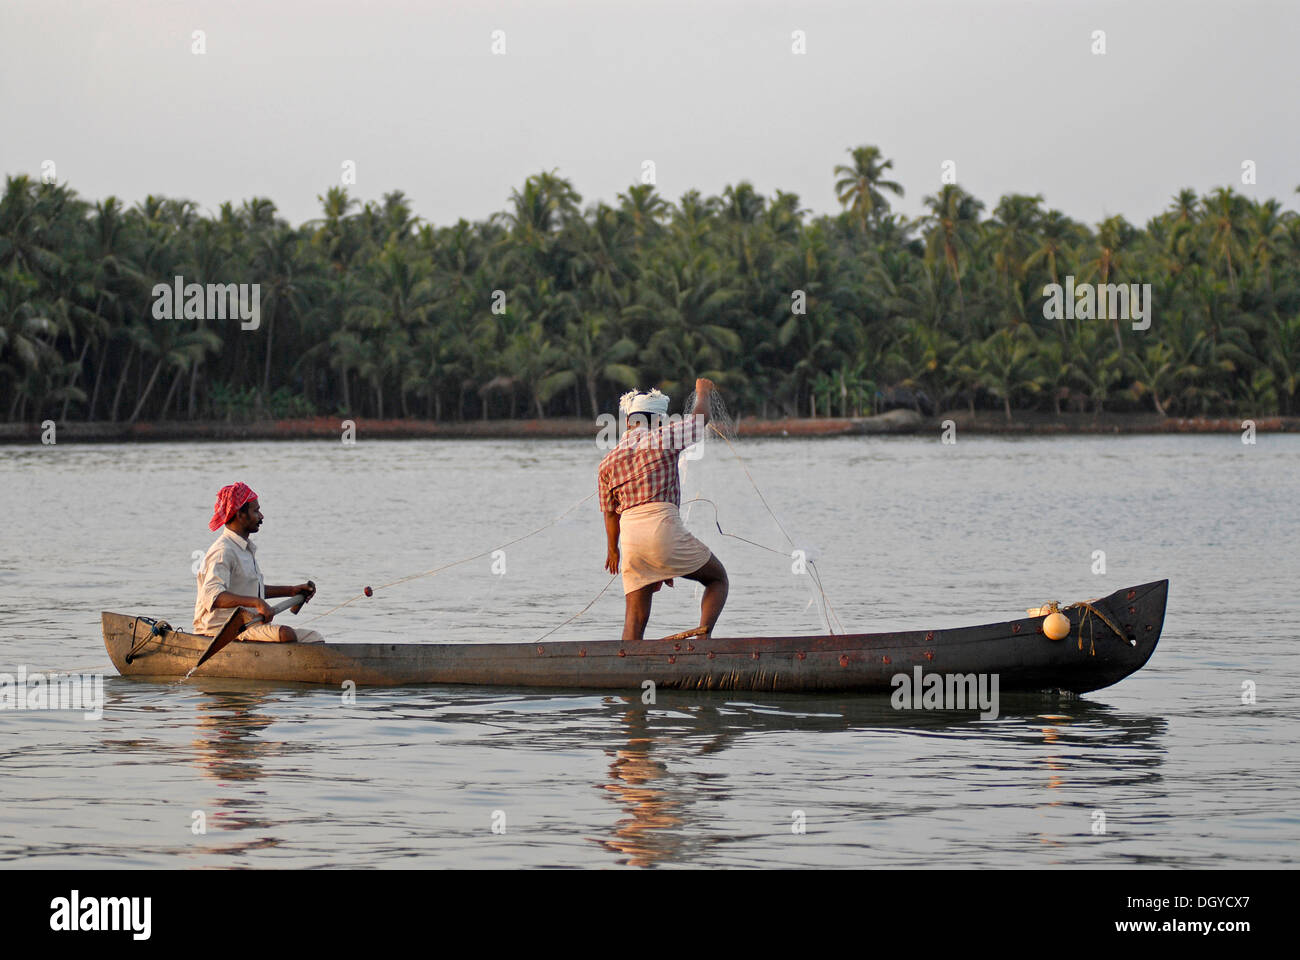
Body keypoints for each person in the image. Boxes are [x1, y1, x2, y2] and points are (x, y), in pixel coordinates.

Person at [598, 379, 729, 643]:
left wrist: (613, 550)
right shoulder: (662, 437)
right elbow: (698, 421)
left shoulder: (608, 462)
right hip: (662, 529)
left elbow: (611, 513)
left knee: (634, 619)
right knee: (717, 579)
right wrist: (702, 392)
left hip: (631, 541)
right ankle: (703, 645)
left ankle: (627, 666)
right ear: (658, 420)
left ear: (628, 422)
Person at [193, 482, 323, 644]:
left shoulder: (244, 549)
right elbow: (213, 597)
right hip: (221, 632)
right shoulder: (223, 551)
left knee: (314, 638)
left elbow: (251, 590)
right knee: (286, 634)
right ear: (240, 514)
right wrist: (257, 602)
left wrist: (291, 590)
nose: (261, 516)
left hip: (249, 625)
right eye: (256, 511)